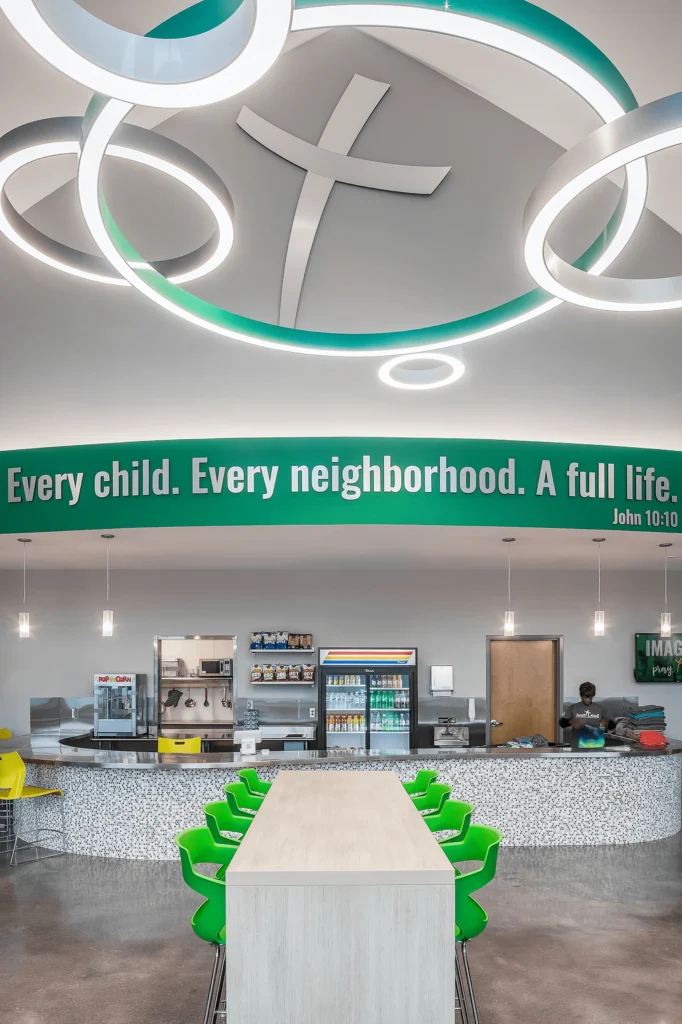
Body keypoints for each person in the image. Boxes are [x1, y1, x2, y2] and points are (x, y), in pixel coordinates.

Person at [560, 682, 608, 748]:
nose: (587, 700)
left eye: (590, 698)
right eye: (585, 697)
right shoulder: (573, 708)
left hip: (597, 747)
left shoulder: (600, 709)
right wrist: (571, 721)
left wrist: (606, 723)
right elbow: (562, 723)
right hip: (577, 747)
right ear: (581, 695)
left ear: (593, 696)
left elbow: (610, 726)